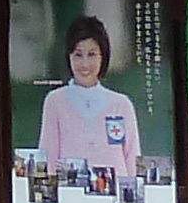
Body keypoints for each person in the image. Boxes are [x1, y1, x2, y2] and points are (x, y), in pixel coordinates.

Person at [34, 13, 143, 184]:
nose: (84, 64)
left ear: (103, 56)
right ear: (69, 56)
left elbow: (132, 158)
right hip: (72, 202)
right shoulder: (55, 101)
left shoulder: (121, 105)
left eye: (92, 54)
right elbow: (48, 158)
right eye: (78, 55)